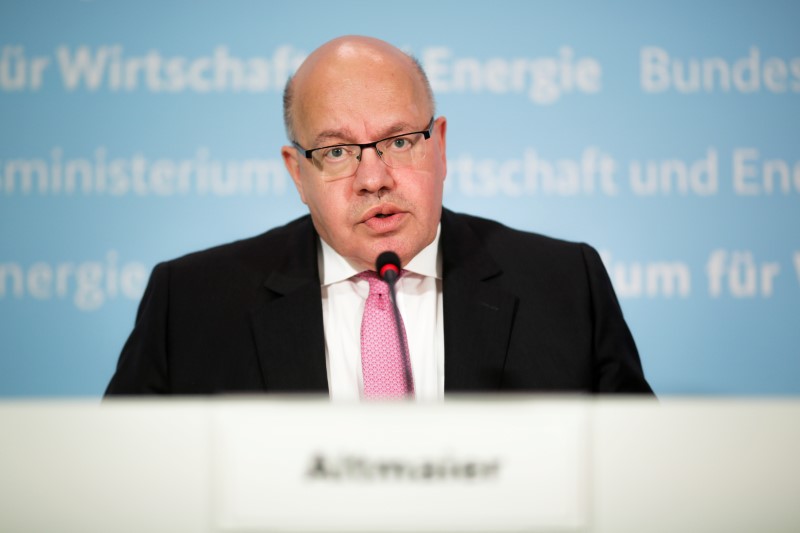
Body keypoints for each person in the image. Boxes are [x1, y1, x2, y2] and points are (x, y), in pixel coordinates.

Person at [105, 35, 653, 398]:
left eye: (398, 140)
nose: (374, 178)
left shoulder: (563, 286)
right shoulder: (193, 304)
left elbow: (639, 481)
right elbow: (120, 490)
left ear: (439, 146)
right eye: (337, 152)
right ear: (298, 174)